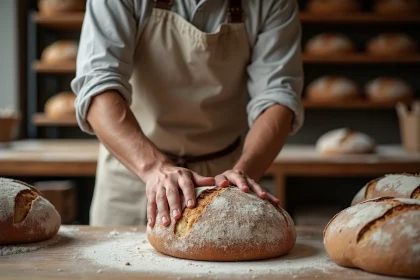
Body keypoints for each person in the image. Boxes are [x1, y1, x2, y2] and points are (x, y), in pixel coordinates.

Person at [71, 0, 304, 228]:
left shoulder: (273, 3)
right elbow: (97, 88)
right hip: (132, 170)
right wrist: (154, 168)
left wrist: (244, 174)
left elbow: (277, 97)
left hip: (223, 179)